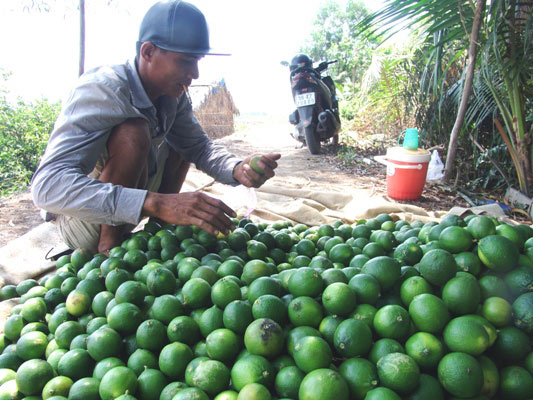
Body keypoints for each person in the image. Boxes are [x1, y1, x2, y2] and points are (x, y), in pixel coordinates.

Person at [31, 0, 280, 255]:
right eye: (185, 62)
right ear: (148, 52)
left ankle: (159, 235)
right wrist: (156, 202)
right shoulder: (103, 90)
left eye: (197, 61)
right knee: (133, 132)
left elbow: (197, 146)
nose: (194, 73)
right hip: (83, 223)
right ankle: (110, 251)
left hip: (132, 213)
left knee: (180, 143)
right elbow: (46, 186)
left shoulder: (173, 96)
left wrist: (237, 169)